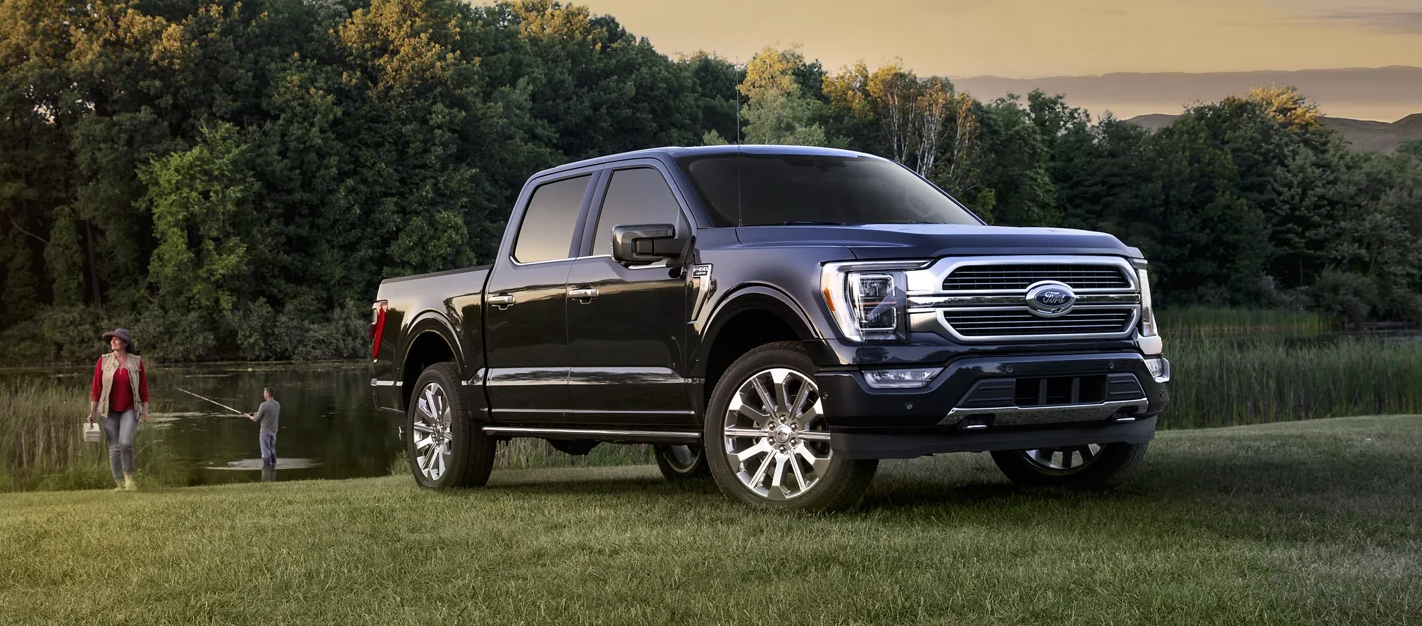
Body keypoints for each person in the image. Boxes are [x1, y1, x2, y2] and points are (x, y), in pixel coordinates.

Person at [88, 328, 149, 491]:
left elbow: (143, 387)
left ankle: (129, 477)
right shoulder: (103, 361)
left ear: (125, 343)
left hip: (130, 408)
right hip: (108, 410)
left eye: (117, 339)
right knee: (114, 447)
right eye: (112, 339)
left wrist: (145, 409)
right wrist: (92, 411)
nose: (113, 341)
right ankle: (119, 483)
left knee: (125, 443)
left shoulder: (136, 361)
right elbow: (96, 388)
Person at [244, 387, 280, 468]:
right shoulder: (277, 404)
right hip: (274, 432)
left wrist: (249, 416)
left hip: (265, 432)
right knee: (272, 450)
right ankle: (274, 467)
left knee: (265, 452)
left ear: (267, 394)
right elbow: (266, 414)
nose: (263, 394)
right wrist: (254, 413)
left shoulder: (263, 405)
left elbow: (256, 419)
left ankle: (267, 469)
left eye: (264, 393)